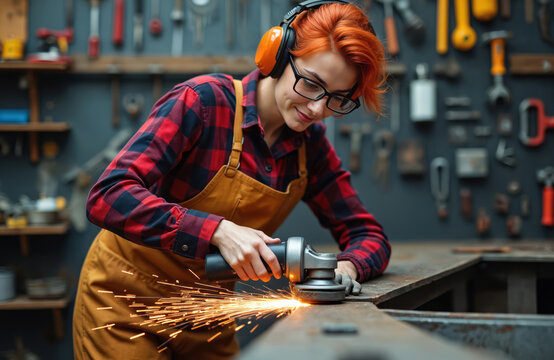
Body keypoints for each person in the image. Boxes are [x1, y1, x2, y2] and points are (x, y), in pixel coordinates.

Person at [73, 1, 391, 359]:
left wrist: (347, 267)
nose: (318, 109)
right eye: (311, 84)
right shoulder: (203, 102)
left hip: (206, 316)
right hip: (123, 306)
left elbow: (369, 235)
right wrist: (217, 231)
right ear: (277, 55)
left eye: (336, 99)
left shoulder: (309, 146)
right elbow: (108, 195)